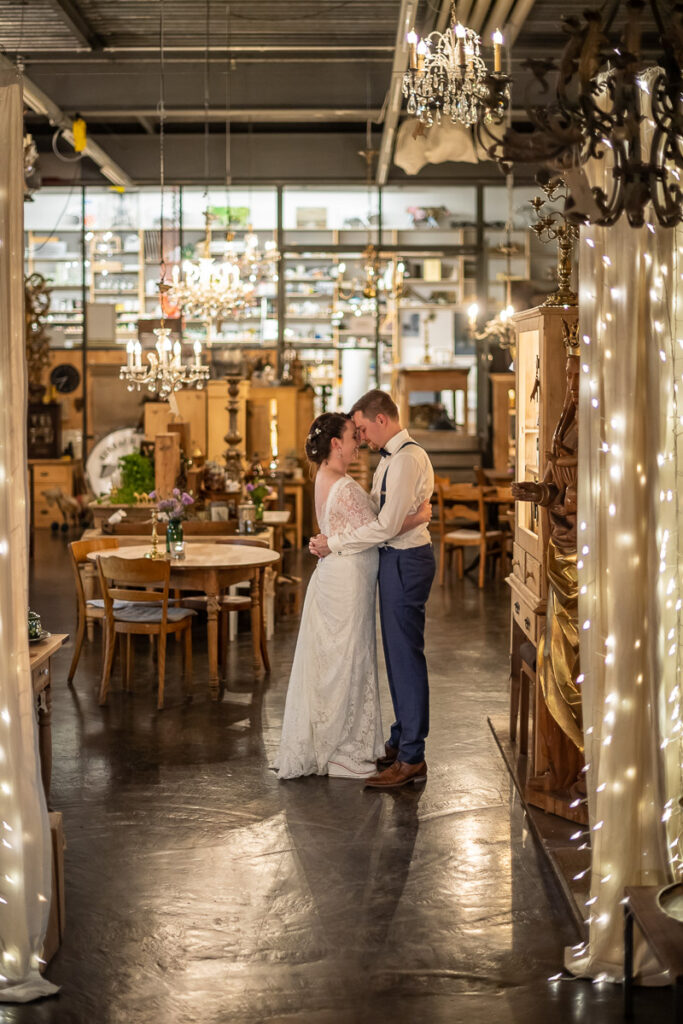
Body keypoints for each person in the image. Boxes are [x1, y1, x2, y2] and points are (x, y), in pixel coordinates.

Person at [276, 412, 430, 780]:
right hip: (346, 582)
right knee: (346, 659)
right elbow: (380, 528)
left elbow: (367, 525)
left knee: (342, 657)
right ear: (335, 444)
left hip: (345, 577)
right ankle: (342, 748)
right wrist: (418, 516)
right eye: (351, 437)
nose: (358, 443)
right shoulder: (342, 485)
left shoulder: (328, 477)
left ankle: (340, 741)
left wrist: (331, 541)